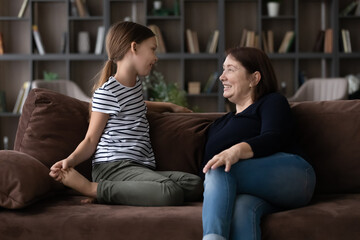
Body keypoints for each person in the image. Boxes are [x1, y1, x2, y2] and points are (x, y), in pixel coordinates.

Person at [49, 21, 203, 206]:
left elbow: (137, 105)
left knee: (195, 184)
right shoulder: (107, 92)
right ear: (134, 47)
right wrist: (70, 161)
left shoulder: (134, 86)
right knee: (168, 191)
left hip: (138, 167)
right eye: (153, 49)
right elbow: (90, 140)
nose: (156, 57)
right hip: (113, 167)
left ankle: (119, 193)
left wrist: (170, 106)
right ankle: (93, 188)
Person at [201, 47, 316, 240]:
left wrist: (236, 151)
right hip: (249, 191)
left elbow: (274, 137)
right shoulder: (219, 124)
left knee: (219, 167)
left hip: (293, 175)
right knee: (241, 208)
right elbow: (204, 169)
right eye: (223, 69)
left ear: (254, 78)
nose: (221, 77)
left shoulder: (271, 102)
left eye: (230, 69)